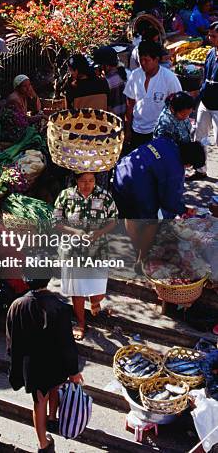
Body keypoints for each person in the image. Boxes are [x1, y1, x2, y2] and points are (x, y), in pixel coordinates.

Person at [6, 278, 82, 453]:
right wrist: (73, 370)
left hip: (32, 364)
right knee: (55, 387)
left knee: (39, 401)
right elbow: (67, 343)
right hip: (56, 362)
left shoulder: (17, 305)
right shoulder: (59, 307)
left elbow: (11, 339)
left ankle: (43, 443)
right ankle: (52, 418)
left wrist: (15, 363)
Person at [112, 139, 205, 269]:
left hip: (121, 173)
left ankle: (135, 249)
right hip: (137, 187)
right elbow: (170, 202)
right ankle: (141, 260)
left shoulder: (165, 142)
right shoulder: (175, 169)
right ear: (189, 163)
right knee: (151, 223)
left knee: (129, 215)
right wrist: (183, 209)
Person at [53, 172, 118, 340]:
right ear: (76, 180)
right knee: (77, 291)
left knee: (98, 292)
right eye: (83, 181)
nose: (87, 184)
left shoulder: (104, 196)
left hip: (98, 250)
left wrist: (99, 233)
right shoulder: (65, 196)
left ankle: (95, 301)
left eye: (91, 180)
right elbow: (56, 222)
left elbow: (113, 219)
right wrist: (76, 232)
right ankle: (80, 323)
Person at [124, 40, 182, 149]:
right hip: (137, 130)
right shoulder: (135, 75)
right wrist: (128, 130)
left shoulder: (169, 78)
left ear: (156, 60)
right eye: (141, 59)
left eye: (147, 60)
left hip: (159, 132)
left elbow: (177, 105)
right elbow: (130, 104)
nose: (143, 63)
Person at [193, 22, 218, 179]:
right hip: (205, 102)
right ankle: (200, 170)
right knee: (199, 137)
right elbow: (205, 76)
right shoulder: (210, 53)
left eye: (214, 36)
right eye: (210, 35)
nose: (210, 38)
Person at [93, 46, 127, 119]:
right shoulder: (125, 73)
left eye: (100, 66)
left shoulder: (107, 81)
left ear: (107, 66)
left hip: (113, 121)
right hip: (124, 118)